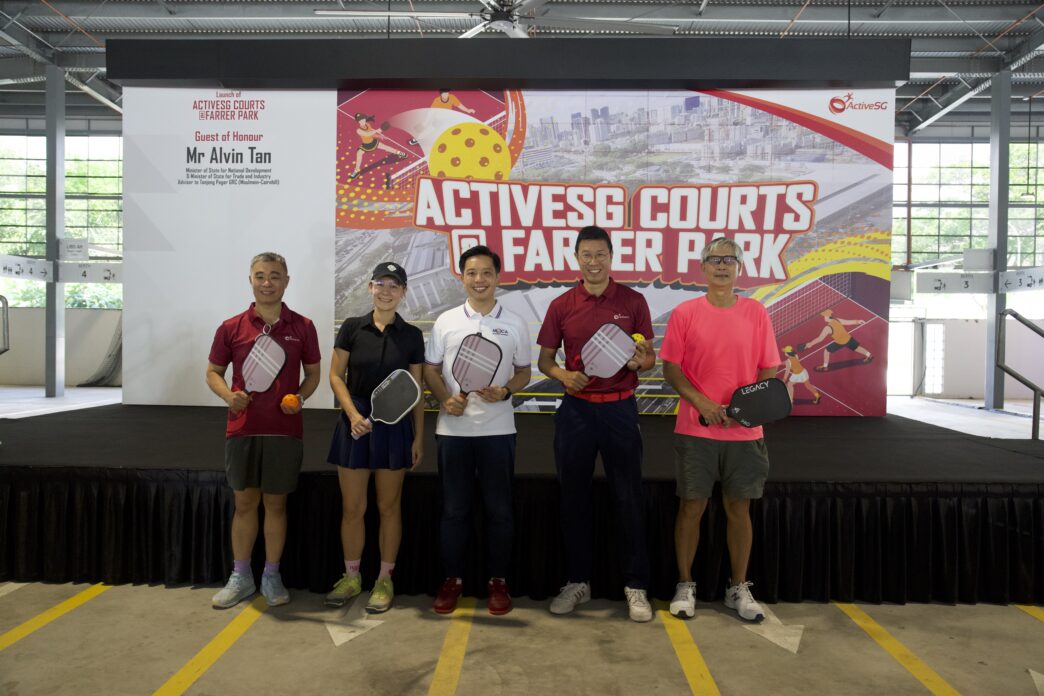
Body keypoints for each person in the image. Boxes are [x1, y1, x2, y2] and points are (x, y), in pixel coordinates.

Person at [536, 225, 656, 623]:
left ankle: (636, 586)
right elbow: (545, 361)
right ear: (577, 258)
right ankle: (577, 582)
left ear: (611, 256)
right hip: (576, 413)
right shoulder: (562, 304)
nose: (593, 261)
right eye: (586, 255)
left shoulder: (633, 301)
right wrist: (564, 376)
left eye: (599, 254)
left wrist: (639, 362)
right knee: (574, 498)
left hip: (620, 411)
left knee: (628, 497)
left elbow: (649, 358)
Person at [659, 237, 779, 622]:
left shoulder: (757, 313)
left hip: (745, 432)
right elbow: (672, 369)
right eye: (715, 260)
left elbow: (768, 369)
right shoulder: (684, 313)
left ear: (739, 268)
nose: (722, 266)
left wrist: (743, 410)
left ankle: (738, 587)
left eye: (730, 260)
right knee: (691, 506)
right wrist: (705, 404)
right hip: (696, 429)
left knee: (738, 508)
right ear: (703, 267)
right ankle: (685, 584)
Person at [206, 252, 321, 608]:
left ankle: (271, 575)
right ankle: (241, 576)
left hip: (284, 432)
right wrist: (229, 396)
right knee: (244, 504)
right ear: (250, 280)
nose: (267, 282)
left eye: (274, 276)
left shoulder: (303, 326)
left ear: (286, 281)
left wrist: (299, 398)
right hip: (243, 430)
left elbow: (314, 375)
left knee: (276, 504)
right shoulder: (231, 327)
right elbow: (213, 372)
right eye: (260, 276)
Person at [423, 245, 532, 616]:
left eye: (486, 273)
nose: (479, 280)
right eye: (472, 273)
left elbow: (524, 371)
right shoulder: (446, 321)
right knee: (454, 511)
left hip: (499, 432)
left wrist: (507, 391)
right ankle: (452, 580)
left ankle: (497, 581)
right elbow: (431, 370)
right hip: (453, 432)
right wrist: (444, 400)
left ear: (498, 277)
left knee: (499, 511)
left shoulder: (515, 322)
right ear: (462, 277)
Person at [324, 262, 425, 613]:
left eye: (394, 286)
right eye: (380, 283)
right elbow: (336, 376)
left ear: (403, 292)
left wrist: (418, 438)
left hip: (395, 427)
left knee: (388, 507)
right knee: (353, 508)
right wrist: (352, 415)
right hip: (354, 423)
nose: (386, 291)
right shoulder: (352, 327)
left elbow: (415, 389)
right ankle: (352, 577)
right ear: (370, 288)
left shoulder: (411, 335)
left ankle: (384, 580)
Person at [802, 308, 872, 371]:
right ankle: (869, 355)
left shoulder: (827, 328)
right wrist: (857, 321)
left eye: (824, 316)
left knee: (826, 351)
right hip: (848, 338)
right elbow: (848, 322)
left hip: (840, 342)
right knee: (856, 348)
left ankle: (825, 366)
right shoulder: (837, 320)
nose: (823, 318)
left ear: (827, 316)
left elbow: (820, 339)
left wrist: (810, 344)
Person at [349, 113, 407, 180]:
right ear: (358, 121)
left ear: (365, 119)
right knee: (359, 154)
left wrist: (380, 136)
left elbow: (372, 135)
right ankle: (356, 171)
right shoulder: (358, 130)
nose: (362, 121)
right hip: (366, 145)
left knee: (386, 147)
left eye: (363, 119)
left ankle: (400, 153)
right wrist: (379, 130)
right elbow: (367, 134)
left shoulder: (368, 125)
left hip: (373, 142)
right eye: (360, 120)